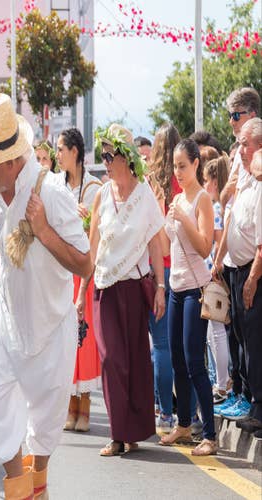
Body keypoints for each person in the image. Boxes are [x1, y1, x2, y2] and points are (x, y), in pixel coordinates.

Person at [0, 93, 91, 498]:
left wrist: (45, 231)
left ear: (11, 161)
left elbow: (85, 263)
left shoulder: (50, 192)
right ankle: (18, 488)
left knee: (47, 422)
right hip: (7, 321)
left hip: (50, 326)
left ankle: (36, 487)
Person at [90, 124, 166, 457]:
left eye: (110, 155)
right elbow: (92, 245)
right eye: (102, 155)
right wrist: (81, 293)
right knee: (111, 359)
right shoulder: (102, 195)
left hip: (135, 288)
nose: (105, 161)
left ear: (126, 157)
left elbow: (154, 242)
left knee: (134, 360)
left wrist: (161, 287)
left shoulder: (144, 195)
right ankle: (116, 434)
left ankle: (131, 433)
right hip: (105, 286)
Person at [157, 139, 216, 456]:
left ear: (196, 164)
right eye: (175, 166)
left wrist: (184, 218)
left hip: (196, 289)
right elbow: (166, 250)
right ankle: (182, 425)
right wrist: (161, 217)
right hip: (176, 288)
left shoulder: (201, 199)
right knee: (179, 361)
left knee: (195, 363)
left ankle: (209, 434)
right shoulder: (177, 200)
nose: (178, 171)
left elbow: (205, 247)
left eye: (183, 165)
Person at [213, 117, 262, 435]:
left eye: (245, 144)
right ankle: (252, 402)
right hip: (238, 269)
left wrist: (252, 279)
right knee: (245, 341)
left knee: (255, 343)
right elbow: (229, 213)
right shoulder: (245, 177)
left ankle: (258, 407)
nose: (240, 150)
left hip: (252, 272)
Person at [55, 127, 102, 433]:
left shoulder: (95, 189)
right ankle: (69, 407)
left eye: (60, 149)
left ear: (74, 152)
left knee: (83, 339)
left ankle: (84, 407)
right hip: (60, 269)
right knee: (64, 340)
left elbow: (99, 233)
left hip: (84, 269)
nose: (57, 155)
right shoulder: (55, 185)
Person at [146, 122, 182, 432]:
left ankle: (162, 408)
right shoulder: (182, 182)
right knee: (174, 346)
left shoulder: (150, 184)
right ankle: (178, 413)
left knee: (158, 344)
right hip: (179, 268)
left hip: (153, 268)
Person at [203, 155, 231, 405]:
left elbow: (220, 237)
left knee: (217, 331)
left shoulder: (216, 208)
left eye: (206, 180)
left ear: (213, 181)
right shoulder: (219, 205)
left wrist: (215, 265)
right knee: (215, 333)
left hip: (214, 272)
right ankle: (221, 381)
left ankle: (222, 384)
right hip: (216, 271)